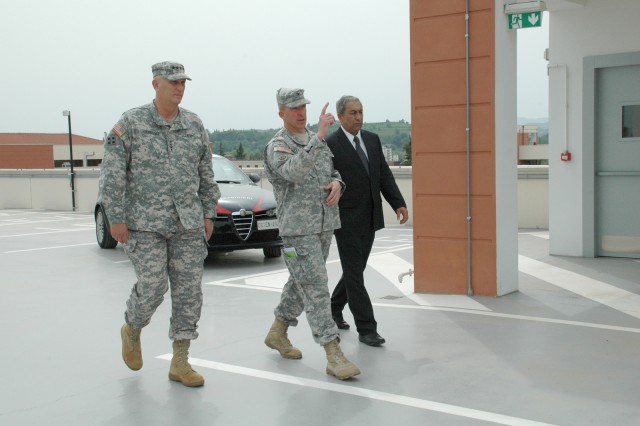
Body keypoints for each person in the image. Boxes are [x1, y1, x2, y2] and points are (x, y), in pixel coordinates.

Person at [99, 61, 220, 387]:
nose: (180, 88)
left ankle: (180, 361)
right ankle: (132, 327)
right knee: (152, 287)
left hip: (188, 223)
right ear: (156, 84)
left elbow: (206, 175)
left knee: (189, 294)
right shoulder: (131, 123)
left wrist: (208, 213)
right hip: (144, 223)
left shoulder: (194, 125)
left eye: (183, 83)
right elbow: (112, 173)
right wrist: (117, 217)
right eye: (173, 82)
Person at [262, 88, 360, 380]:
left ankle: (278, 332)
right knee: (316, 286)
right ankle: (333, 352)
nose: (301, 112)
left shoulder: (315, 142)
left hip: (324, 224)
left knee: (301, 281)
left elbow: (331, 172)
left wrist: (337, 184)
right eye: (293, 108)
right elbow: (292, 173)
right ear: (282, 113)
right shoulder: (279, 145)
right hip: (298, 229)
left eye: (303, 106)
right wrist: (318, 137)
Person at [327, 95, 409, 346]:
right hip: (346, 219)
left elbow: (383, 174)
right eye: (352, 113)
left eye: (360, 112)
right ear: (340, 117)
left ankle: (333, 307)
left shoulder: (372, 140)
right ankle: (366, 328)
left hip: (371, 215)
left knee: (356, 270)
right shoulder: (330, 143)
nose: (358, 117)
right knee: (355, 274)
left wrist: (398, 202)